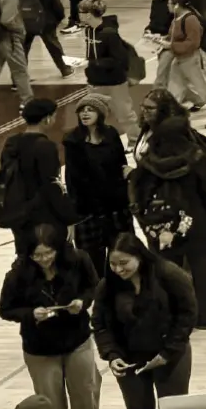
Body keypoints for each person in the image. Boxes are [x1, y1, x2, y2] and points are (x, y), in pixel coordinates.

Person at [128, 107, 206, 329]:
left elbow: (139, 195)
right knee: (202, 274)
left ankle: (173, 319)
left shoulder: (147, 161)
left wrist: (147, 224)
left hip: (161, 227)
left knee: (166, 275)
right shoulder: (197, 159)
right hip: (198, 224)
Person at [0, 224, 100, 409]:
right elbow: (5, 309)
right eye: (37, 255)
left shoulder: (78, 260)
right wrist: (30, 314)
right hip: (40, 346)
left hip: (77, 339)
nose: (44, 259)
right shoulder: (18, 275)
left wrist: (82, 301)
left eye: (48, 253)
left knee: (86, 395)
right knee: (51, 405)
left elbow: (93, 287)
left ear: (58, 249)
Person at [91, 233, 197, 409]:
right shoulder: (108, 285)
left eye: (124, 263)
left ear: (139, 256)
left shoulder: (169, 274)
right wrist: (112, 355)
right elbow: (100, 324)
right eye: (113, 264)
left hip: (169, 354)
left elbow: (187, 315)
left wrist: (167, 352)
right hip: (130, 358)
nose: (118, 269)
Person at [0, 98, 68, 256]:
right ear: (47, 119)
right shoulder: (46, 147)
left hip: (16, 209)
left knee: (24, 254)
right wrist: (67, 216)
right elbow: (50, 184)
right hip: (41, 213)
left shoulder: (11, 143)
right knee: (47, 257)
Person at [63, 95, 130, 278]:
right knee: (92, 263)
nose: (85, 113)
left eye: (90, 109)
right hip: (88, 211)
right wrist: (72, 214)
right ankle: (100, 298)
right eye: (82, 110)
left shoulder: (111, 134)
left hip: (115, 208)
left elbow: (121, 166)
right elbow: (72, 179)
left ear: (100, 113)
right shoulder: (72, 140)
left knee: (121, 256)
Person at [77, 0, 142, 139]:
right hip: (94, 80)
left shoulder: (110, 34)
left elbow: (119, 60)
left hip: (114, 82)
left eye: (81, 12)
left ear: (88, 14)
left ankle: (135, 140)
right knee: (94, 114)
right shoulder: (88, 30)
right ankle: (98, 139)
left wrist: (91, 63)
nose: (78, 15)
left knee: (124, 114)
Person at [164, 0, 206, 128]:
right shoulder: (177, 18)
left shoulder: (190, 19)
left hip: (192, 59)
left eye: (169, 3)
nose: (167, 6)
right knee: (173, 90)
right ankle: (169, 119)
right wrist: (160, 40)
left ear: (177, 5)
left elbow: (193, 43)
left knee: (205, 88)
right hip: (180, 58)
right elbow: (174, 37)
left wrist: (170, 45)